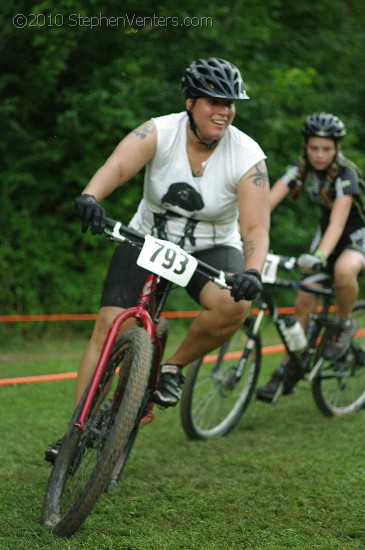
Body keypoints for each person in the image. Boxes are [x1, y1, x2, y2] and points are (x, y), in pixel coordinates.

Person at [45, 57, 270, 462]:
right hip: (147, 238)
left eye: (231, 103)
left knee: (235, 304)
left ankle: (172, 367)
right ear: (190, 102)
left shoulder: (247, 155)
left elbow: (255, 228)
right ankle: (75, 433)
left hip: (210, 246)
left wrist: (252, 272)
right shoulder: (159, 130)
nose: (224, 110)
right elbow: (117, 165)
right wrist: (91, 196)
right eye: (213, 101)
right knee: (110, 326)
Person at [256, 112, 365, 403]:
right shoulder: (301, 169)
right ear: (306, 146)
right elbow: (266, 203)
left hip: (355, 237)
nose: (319, 155)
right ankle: (291, 363)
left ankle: (344, 323)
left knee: (343, 271)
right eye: (314, 148)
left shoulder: (346, 173)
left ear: (336, 149)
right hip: (326, 236)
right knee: (303, 302)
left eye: (326, 149)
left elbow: (338, 223)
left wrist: (318, 255)